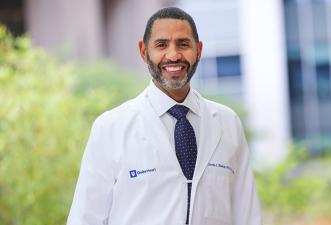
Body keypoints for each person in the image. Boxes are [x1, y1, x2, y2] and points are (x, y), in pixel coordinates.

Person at [67, 7, 262, 225]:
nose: (173, 55)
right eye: (161, 45)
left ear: (198, 50)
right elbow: (85, 218)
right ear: (143, 51)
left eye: (183, 44)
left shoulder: (228, 123)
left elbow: (247, 214)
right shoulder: (111, 127)